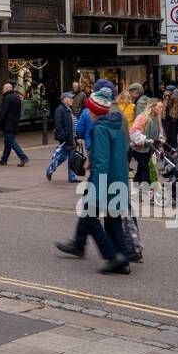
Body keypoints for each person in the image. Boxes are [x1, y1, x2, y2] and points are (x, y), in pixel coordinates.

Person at [55, 85, 130, 274]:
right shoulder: (117, 125)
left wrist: (97, 188)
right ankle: (124, 262)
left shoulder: (101, 129)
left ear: (96, 111)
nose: (88, 113)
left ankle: (112, 256)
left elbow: (102, 163)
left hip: (104, 181)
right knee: (114, 220)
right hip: (120, 179)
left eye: (90, 109)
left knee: (89, 216)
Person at [0, 81, 29, 167]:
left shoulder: (7, 98)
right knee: (7, 143)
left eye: (3, 89)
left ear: (6, 89)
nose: (2, 90)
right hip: (15, 123)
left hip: (8, 124)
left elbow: (3, 113)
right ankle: (4, 160)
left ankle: (23, 157)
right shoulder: (17, 98)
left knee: (11, 141)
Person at [131, 98, 164, 185]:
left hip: (148, 149)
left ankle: (136, 188)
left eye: (162, 107)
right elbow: (134, 133)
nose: (162, 109)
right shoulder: (142, 117)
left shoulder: (156, 119)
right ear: (152, 107)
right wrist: (145, 139)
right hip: (138, 148)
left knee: (141, 169)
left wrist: (160, 138)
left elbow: (158, 131)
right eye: (160, 107)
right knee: (145, 169)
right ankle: (147, 190)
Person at [48, 90, 78, 182]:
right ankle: (49, 170)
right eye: (70, 98)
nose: (72, 100)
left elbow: (74, 123)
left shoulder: (70, 109)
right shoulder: (60, 109)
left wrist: (78, 136)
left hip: (72, 138)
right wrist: (64, 137)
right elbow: (58, 125)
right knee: (62, 157)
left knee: (72, 158)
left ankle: (72, 178)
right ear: (65, 100)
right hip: (65, 139)